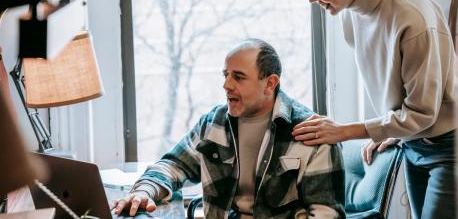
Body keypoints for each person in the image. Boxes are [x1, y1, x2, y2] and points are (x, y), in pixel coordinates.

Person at [293, 0, 457, 218]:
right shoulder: (348, 12)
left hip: (452, 146)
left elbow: (424, 113)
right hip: (414, 142)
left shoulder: (411, 18)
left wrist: (347, 131)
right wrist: (387, 129)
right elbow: (401, 92)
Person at [111, 39, 345, 218]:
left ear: (270, 83)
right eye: (226, 75)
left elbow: (327, 214)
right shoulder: (215, 123)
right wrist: (144, 191)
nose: (226, 85)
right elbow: (173, 165)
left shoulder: (312, 133)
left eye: (239, 77)